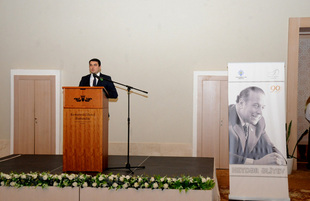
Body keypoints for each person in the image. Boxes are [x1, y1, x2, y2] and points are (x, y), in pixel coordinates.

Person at [229, 86, 286, 165]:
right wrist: (255, 163)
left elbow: (270, 147)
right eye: (256, 105)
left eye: (262, 107)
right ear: (241, 103)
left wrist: (282, 161)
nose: (260, 112)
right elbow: (221, 154)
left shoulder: (260, 121)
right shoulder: (223, 118)